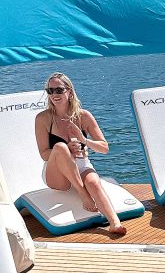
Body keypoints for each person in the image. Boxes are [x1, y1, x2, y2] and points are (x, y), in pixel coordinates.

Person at [34, 72, 126, 235]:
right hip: (57, 174)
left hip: (82, 165)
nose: (54, 94)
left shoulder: (84, 116)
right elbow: (43, 154)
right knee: (61, 147)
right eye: (50, 91)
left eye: (59, 90)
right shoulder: (43, 118)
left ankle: (114, 223)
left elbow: (104, 148)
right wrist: (67, 149)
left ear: (69, 91)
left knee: (94, 183)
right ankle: (83, 194)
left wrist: (84, 140)